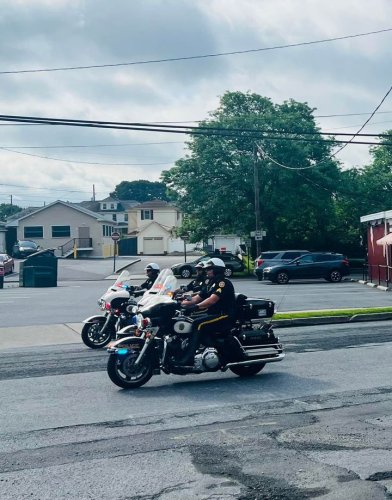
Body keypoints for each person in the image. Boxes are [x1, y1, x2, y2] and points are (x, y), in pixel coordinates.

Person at [179, 257, 236, 365]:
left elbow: (211, 300)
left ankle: (189, 357)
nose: (207, 271)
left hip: (224, 315)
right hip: (213, 314)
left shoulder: (223, 283)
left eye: (209, 268)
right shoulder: (210, 283)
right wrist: (181, 304)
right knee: (188, 320)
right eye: (206, 269)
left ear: (217, 270)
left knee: (198, 324)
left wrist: (196, 307)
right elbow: (197, 298)